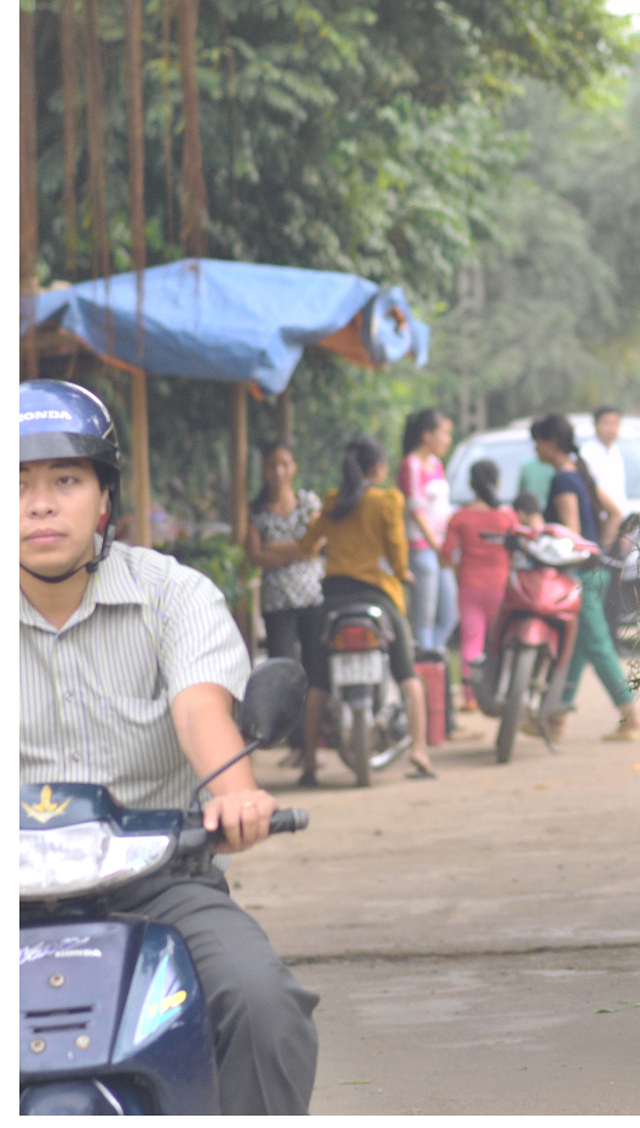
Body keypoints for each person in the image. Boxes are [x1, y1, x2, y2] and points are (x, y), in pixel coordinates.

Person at [19, 380, 320, 1112]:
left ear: (104, 497)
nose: (40, 502)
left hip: (158, 882)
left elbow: (201, 710)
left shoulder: (171, 595)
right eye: (16, 482)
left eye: (65, 478)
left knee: (264, 1004)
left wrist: (234, 791)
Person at [298, 434, 437, 782]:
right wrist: (404, 574)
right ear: (378, 468)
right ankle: (419, 751)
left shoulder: (332, 502)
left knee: (317, 683)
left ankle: (310, 760)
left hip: (332, 600)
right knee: (408, 675)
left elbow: (307, 544)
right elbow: (396, 549)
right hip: (376, 597)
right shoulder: (387, 502)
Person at [531, 413, 639, 741]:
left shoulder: (563, 480)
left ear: (550, 444)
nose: (535, 449)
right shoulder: (580, 472)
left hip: (580, 576)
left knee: (596, 644)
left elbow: (571, 531)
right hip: (596, 570)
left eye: (537, 441)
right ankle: (555, 718)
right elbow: (615, 512)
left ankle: (629, 716)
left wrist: (575, 549)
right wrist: (601, 548)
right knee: (577, 647)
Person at [242, 441, 327, 770]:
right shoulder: (257, 510)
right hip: (278, 602)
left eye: (284, 464)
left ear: (294, 468)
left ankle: (311, 745)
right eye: (272, 465)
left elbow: (315, 546)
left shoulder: (308, 502)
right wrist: (298, 548)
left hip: (312, 596)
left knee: (314, 668)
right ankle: (295, 744)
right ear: (265, 471)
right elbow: (255, 555)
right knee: (285, 672)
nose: (278, 472)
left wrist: (275, 550)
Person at [439, 459, 518, 713]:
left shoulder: (460, 517)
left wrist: (460, 569)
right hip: (501, 588)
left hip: (469, 587)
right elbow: (518, 552)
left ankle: (470, 696)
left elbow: (446, 555)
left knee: (471, 641)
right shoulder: (507, 516)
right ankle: (499, 689)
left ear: (471, 485)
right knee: (498, 640)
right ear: (498, 483)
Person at [396, 408, 456, 660]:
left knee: (449, 613)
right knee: (424, 617)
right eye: (444, 433)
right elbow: (416, 510)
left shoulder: (436, 464)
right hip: (422, 549)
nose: (447, 439)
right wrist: (437, 546)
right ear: (427, 436)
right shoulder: (411, 465)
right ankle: (426, 669)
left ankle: (433, 659)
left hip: (440, 549)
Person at [584, 405, 630, 510]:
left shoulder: (615, 452)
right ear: (596, 425)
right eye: (606, 424)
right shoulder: (587, 453)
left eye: (615, 424)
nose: (611, 429)